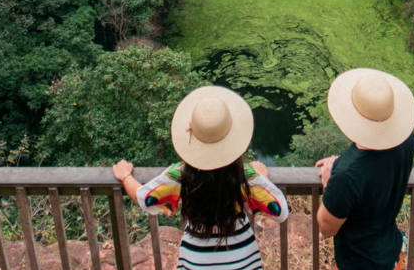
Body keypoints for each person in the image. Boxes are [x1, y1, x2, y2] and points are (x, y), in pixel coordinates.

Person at [113, 86, 289, 270]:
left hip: (195, 261)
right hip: (243, 262)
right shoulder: (244, 176)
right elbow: (280, 211)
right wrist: (262, 178)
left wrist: (125, 175)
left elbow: (144, 198)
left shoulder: (181, 175)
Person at [315, 68, 414, 270]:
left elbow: (326, 228)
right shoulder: (407, 141)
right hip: (392, 257)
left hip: (357, 263)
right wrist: (341, 163)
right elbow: (376, 169)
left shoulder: (345, 176)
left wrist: (329, 184)